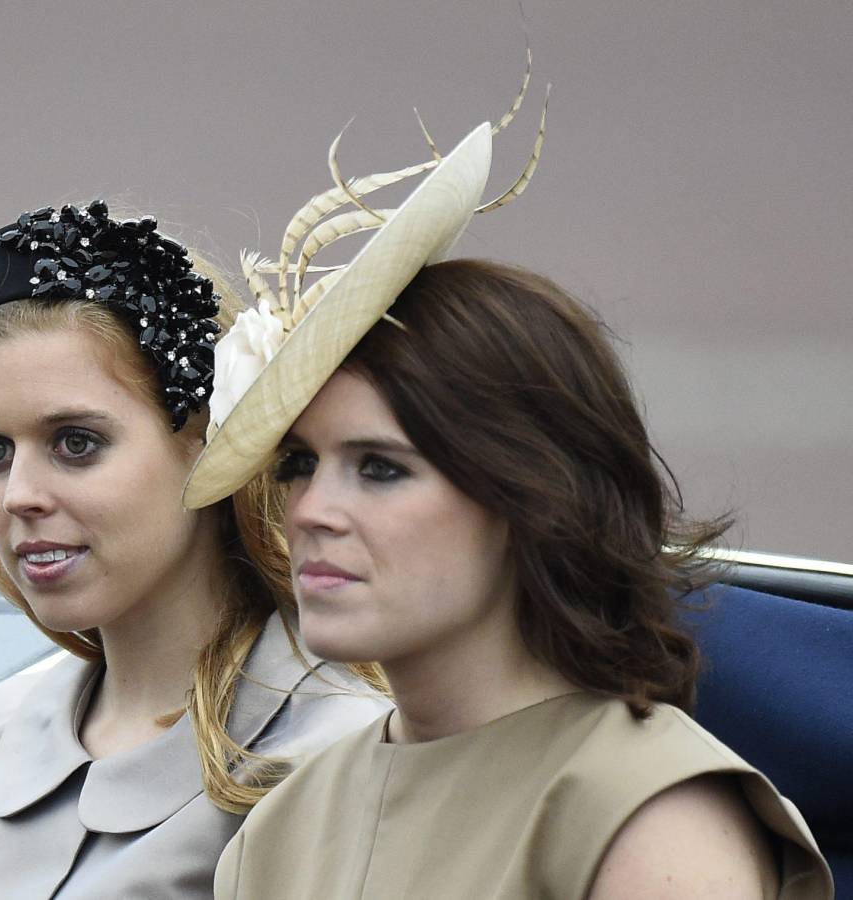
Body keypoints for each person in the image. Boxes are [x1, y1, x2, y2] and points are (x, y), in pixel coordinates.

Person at [183, 106, 835, 898]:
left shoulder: (650, 820)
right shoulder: (279, 829)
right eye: (299, 464)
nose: (311, 509)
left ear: (529, 497)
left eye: (380, 468)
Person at [0, 201, 389, 899]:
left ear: (210, 441)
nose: (18, 494)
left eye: (75, 443)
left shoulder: (336, 750)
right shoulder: (4, 730)